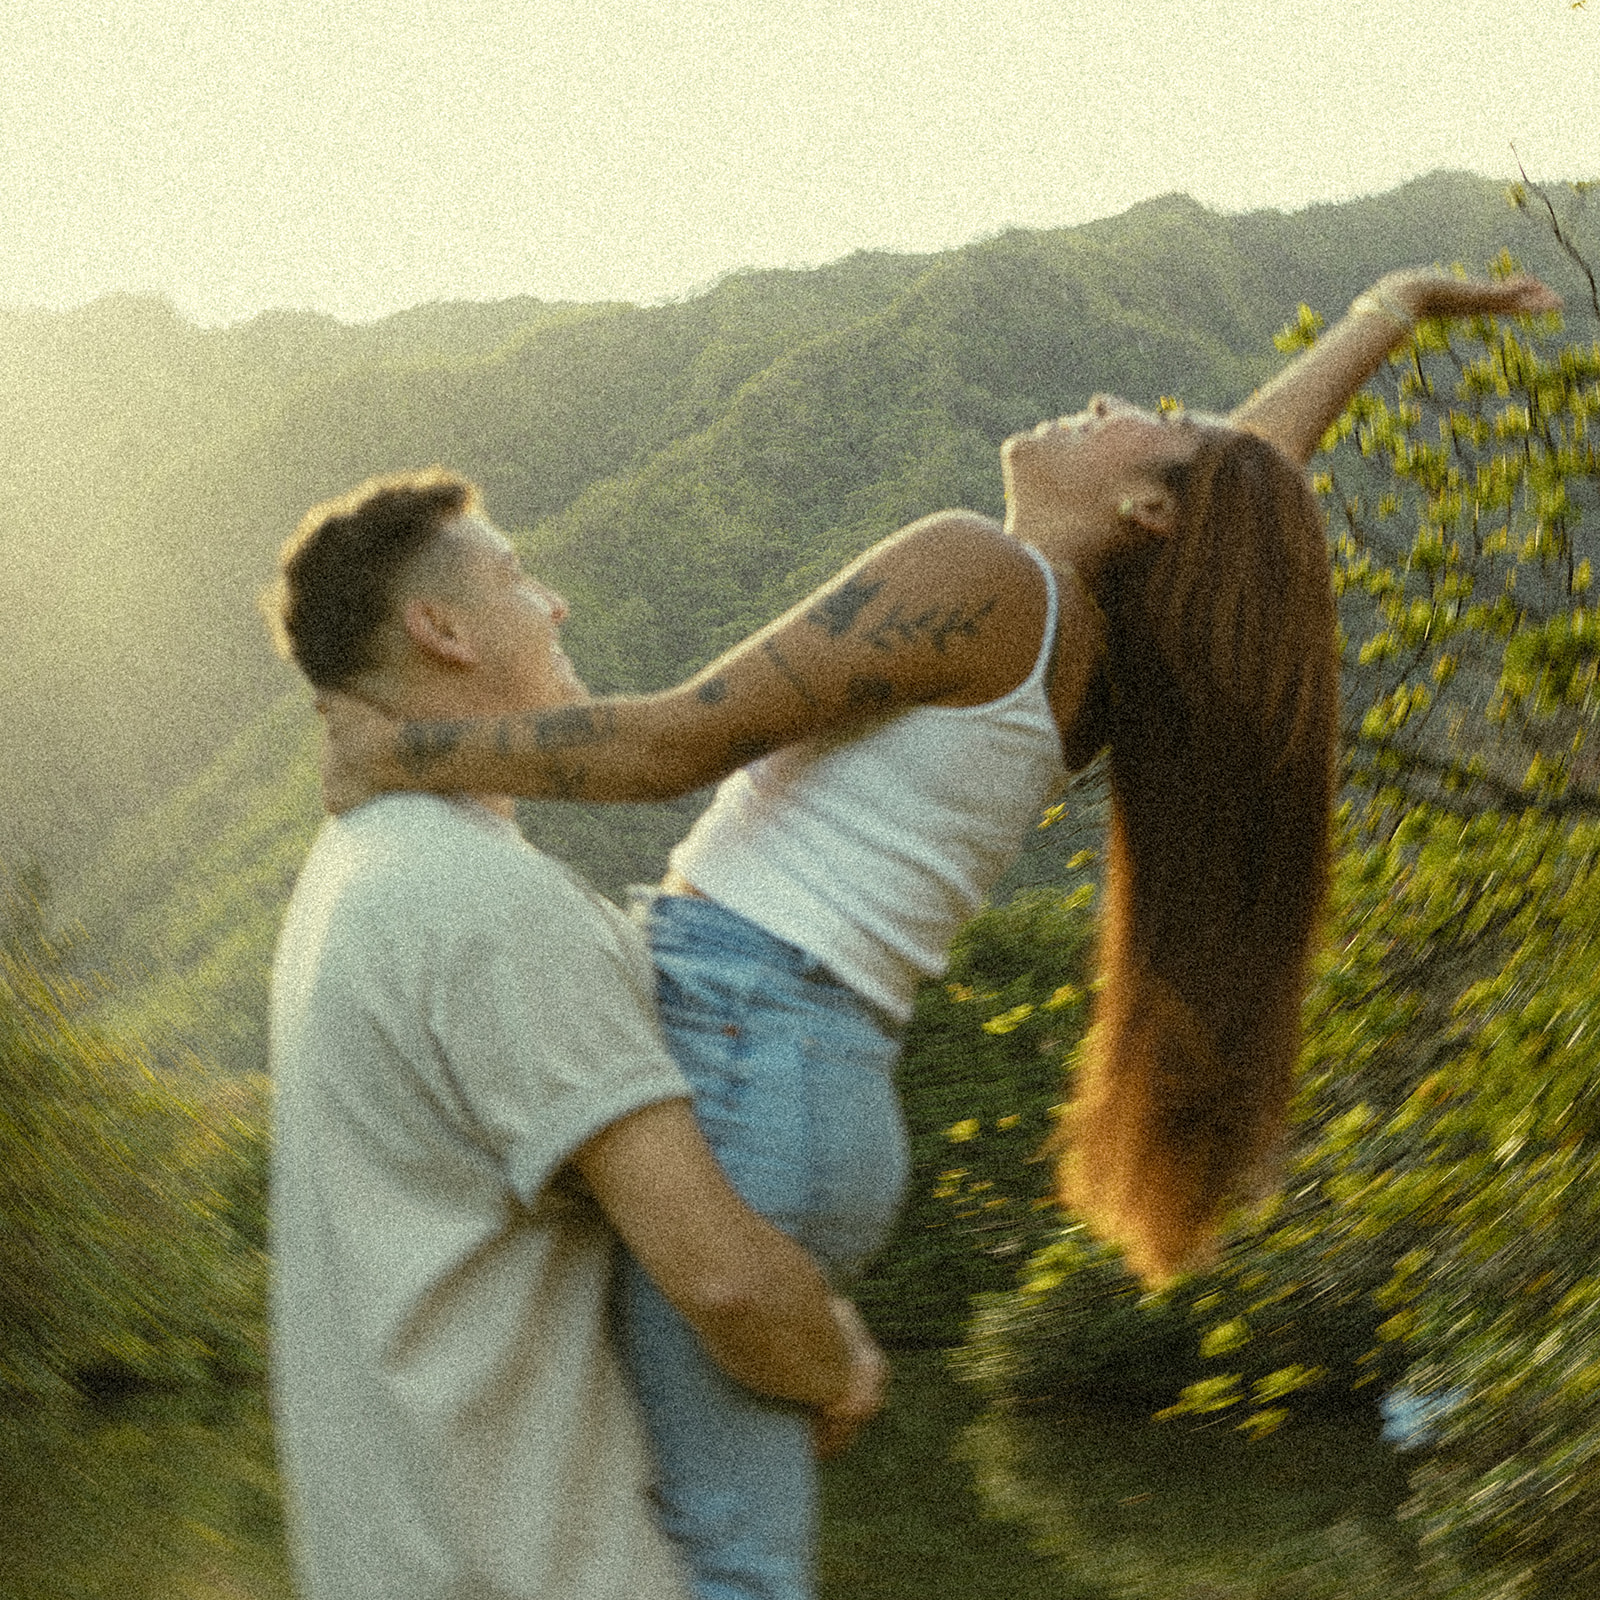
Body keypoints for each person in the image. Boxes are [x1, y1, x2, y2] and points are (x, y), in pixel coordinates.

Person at [319, 267, 1560, 1600]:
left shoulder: (983, 573)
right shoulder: (1073, 660)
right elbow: (1235, 490)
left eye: (1149, 418)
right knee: (653, 1536)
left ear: (1142, 512)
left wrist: (404, 755)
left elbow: (683, 736)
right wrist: (1385, 314)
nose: (1107, 400)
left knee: (718, 1567)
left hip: (749, 1055)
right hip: (794, 1077)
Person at [262, 471, 886, 1600]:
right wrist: (835, 1359)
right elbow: (724, 1280)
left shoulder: (354, 879)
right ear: (440, 628)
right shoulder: (486, 902)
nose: (554, 605)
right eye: (515, 578)